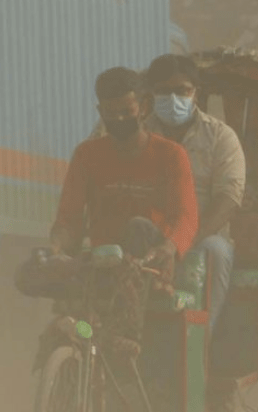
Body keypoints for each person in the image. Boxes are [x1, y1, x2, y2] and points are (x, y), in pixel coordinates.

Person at [51, 67, 199, 278]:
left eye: (126, 112)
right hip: (102, 263)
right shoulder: (86, 155)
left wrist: (169, 246)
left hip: (153, 261)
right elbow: (68, 217)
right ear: (100, 112)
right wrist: (56, 246)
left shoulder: (172, 155)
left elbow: (186, 216)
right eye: (111, 114)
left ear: (144, 108)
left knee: (138, 227)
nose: (119, 120)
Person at [142, 54, 246, 335]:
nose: (173, 98)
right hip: (148, 231)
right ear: (151, 94)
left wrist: (181, 242)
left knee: (216, 253)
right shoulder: (138, 134)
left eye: (182, 91)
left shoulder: (220, 137)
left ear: (195, 93)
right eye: (164, 91)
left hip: (202, 235)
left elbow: (229, 199)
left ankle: (201, 343)